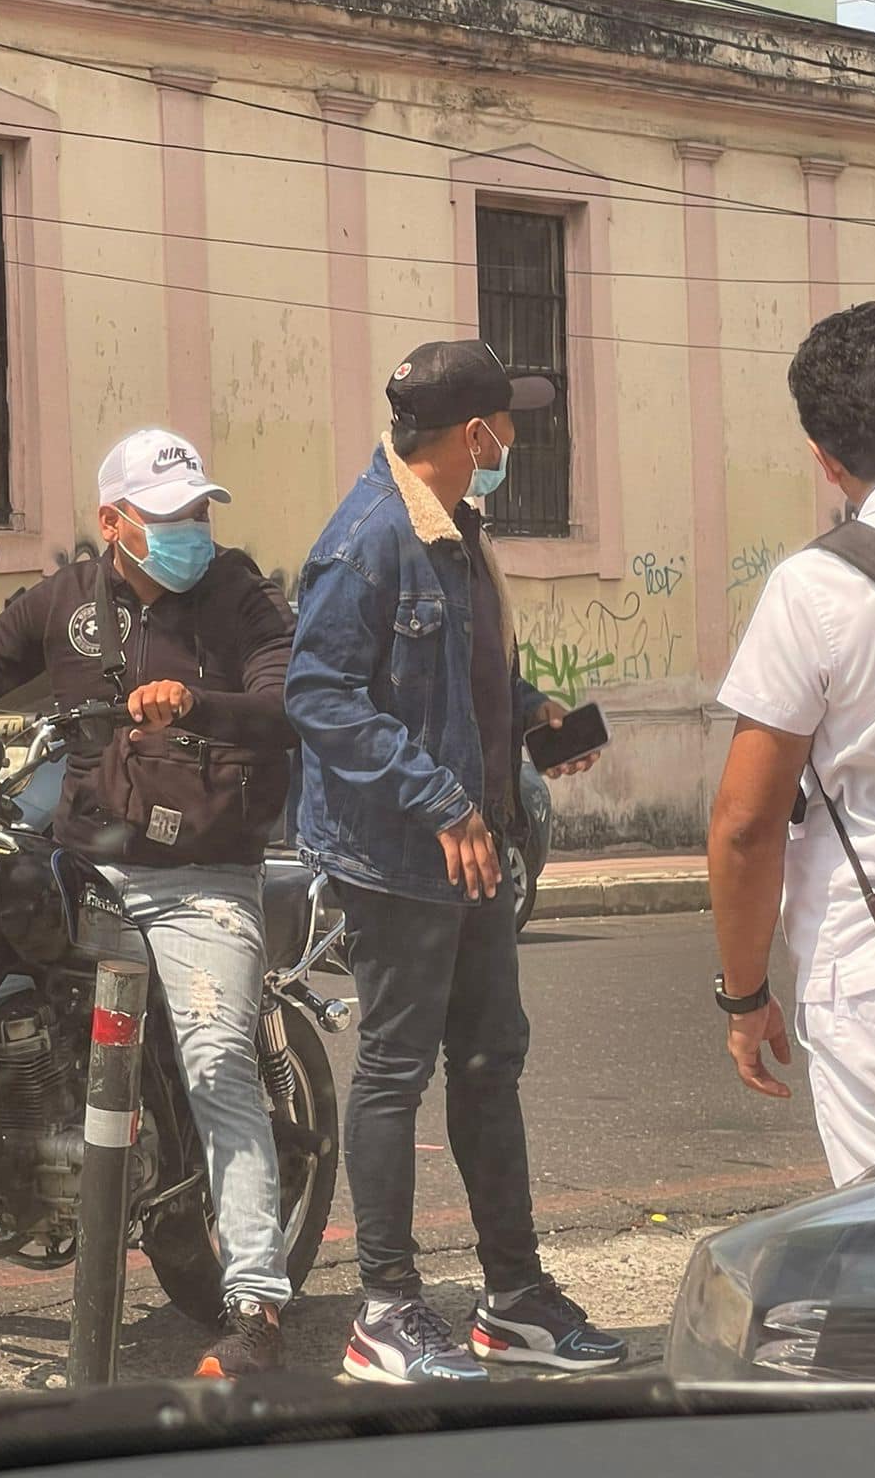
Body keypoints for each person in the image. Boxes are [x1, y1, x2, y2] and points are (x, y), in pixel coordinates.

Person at [0, 429, 297, 1377]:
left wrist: (195, 702)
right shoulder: (68, 600)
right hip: (87, 858)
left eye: (198, 511)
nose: (190, 529)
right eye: (168, 517)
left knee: (213, 1059)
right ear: (114, 522)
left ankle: (257, 1303)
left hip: (202, 873)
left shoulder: (239, 595)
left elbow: (287, 699)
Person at [285, 340, 626, 1384]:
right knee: (394, 1072)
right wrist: (440, 797)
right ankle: (385, 1309)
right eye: (506, 425)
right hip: (400, 858)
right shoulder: (369, 540)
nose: (514, 441)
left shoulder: (454, 530)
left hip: (475, 855)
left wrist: (537, 720)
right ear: (471, 434)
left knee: (489, 1063)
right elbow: (320, 693)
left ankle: (514, 1297)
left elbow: (449, 680)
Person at [710, 301, 875, 1186]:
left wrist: (744, 995)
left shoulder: (817, 589)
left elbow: (746, 824)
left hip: (868, 965)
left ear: (825, 457)